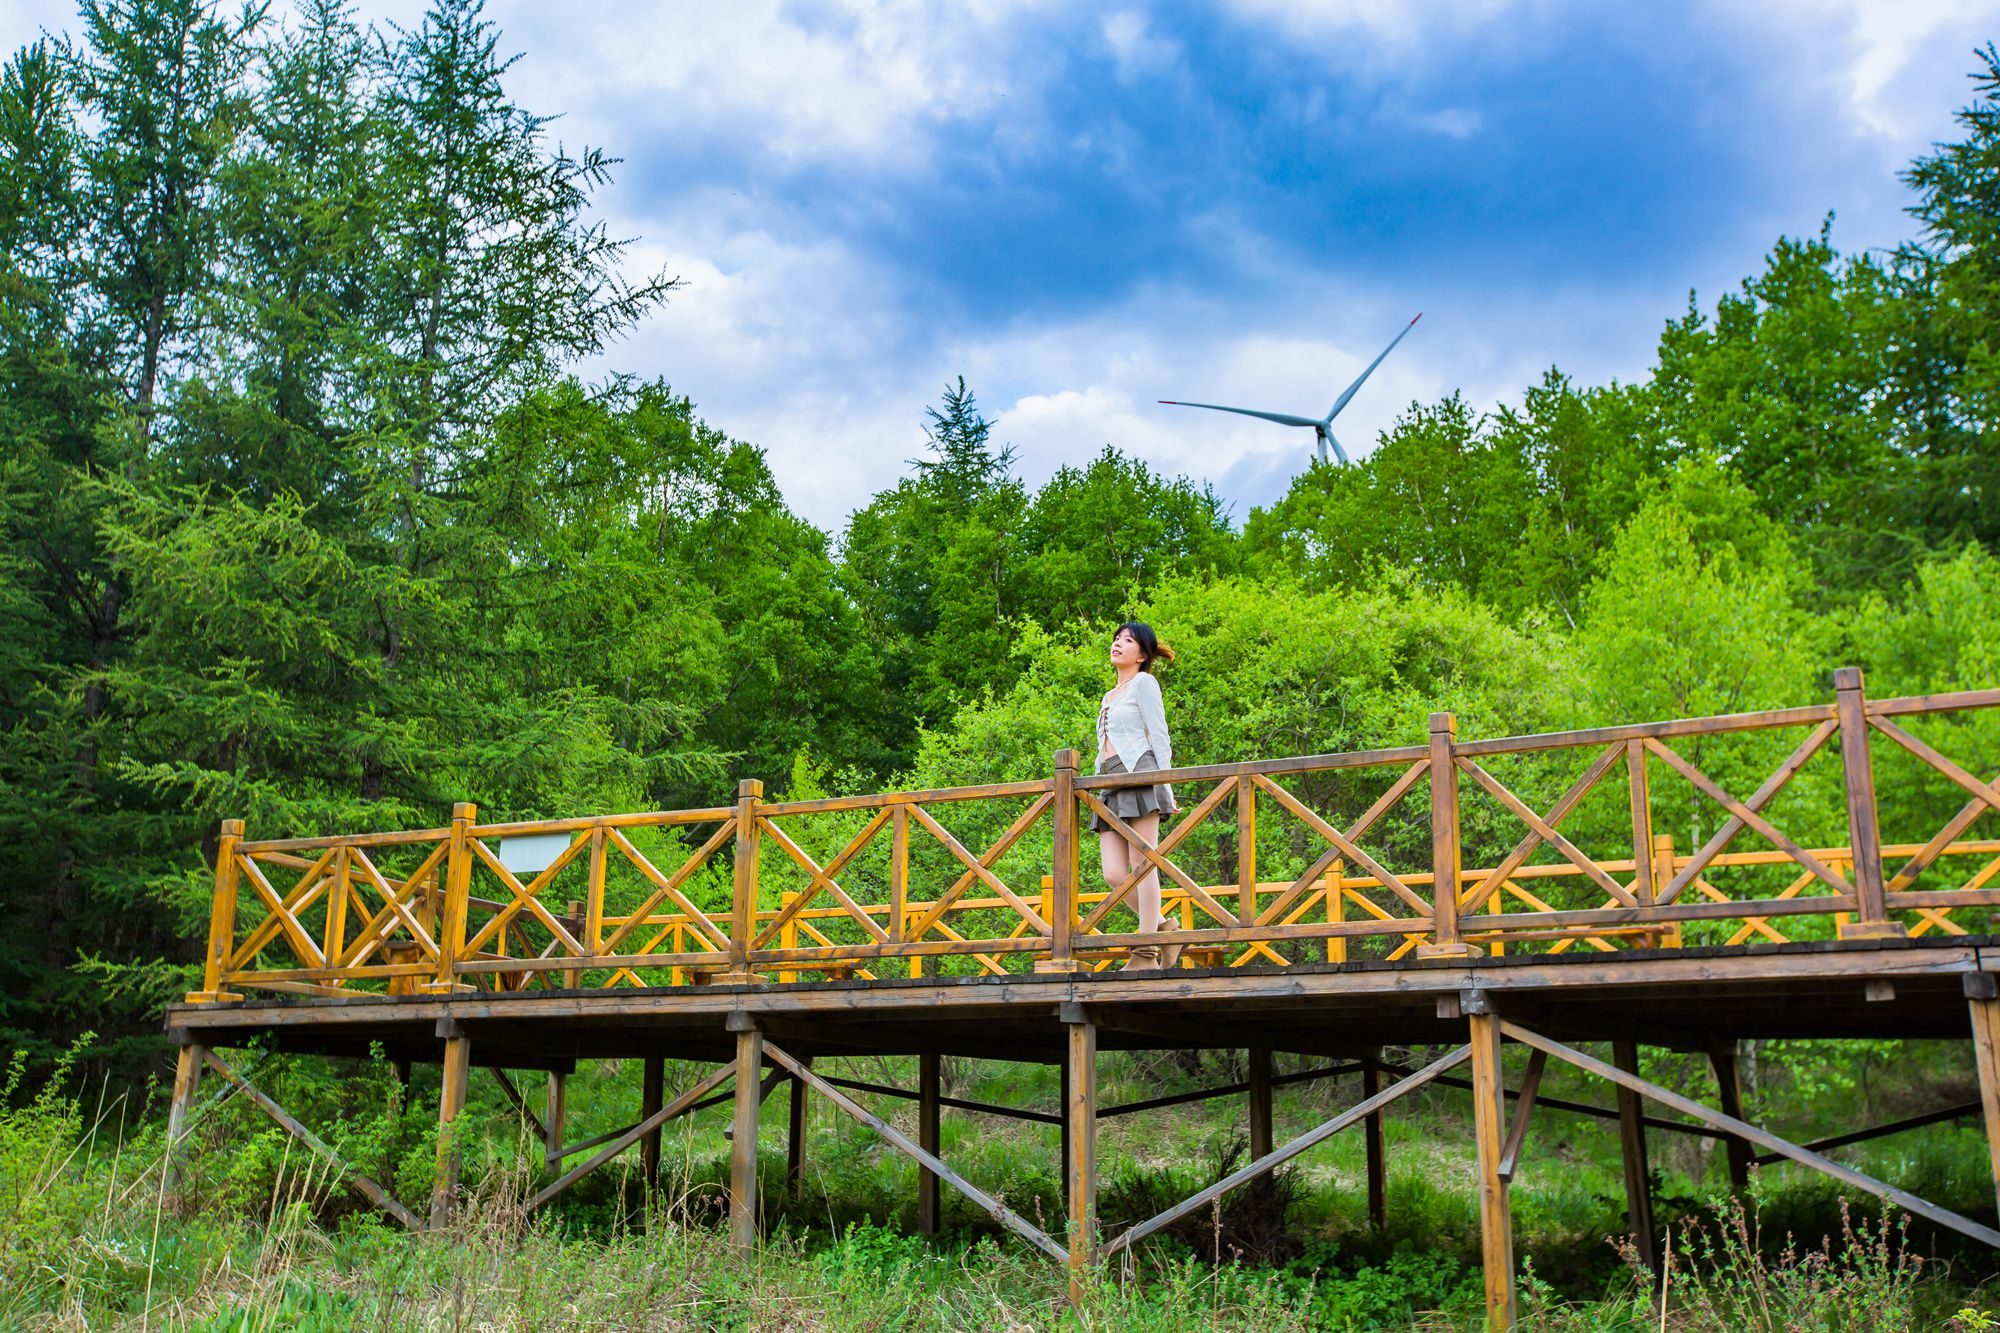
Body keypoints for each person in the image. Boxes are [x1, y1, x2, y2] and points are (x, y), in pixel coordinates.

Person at [1093, 621, 1181, 969]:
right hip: (1110, 782)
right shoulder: (1108, 696)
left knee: (1143, 865)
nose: (1117, 644)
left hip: (1140, 775)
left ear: (1142, 654)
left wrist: (1165, 785)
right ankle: (1163, 929)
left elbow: (1159, 735)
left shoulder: (1144, 683)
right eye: (1116, 639)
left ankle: (1146, 952)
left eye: (1127, 641)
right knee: (1114, 873)